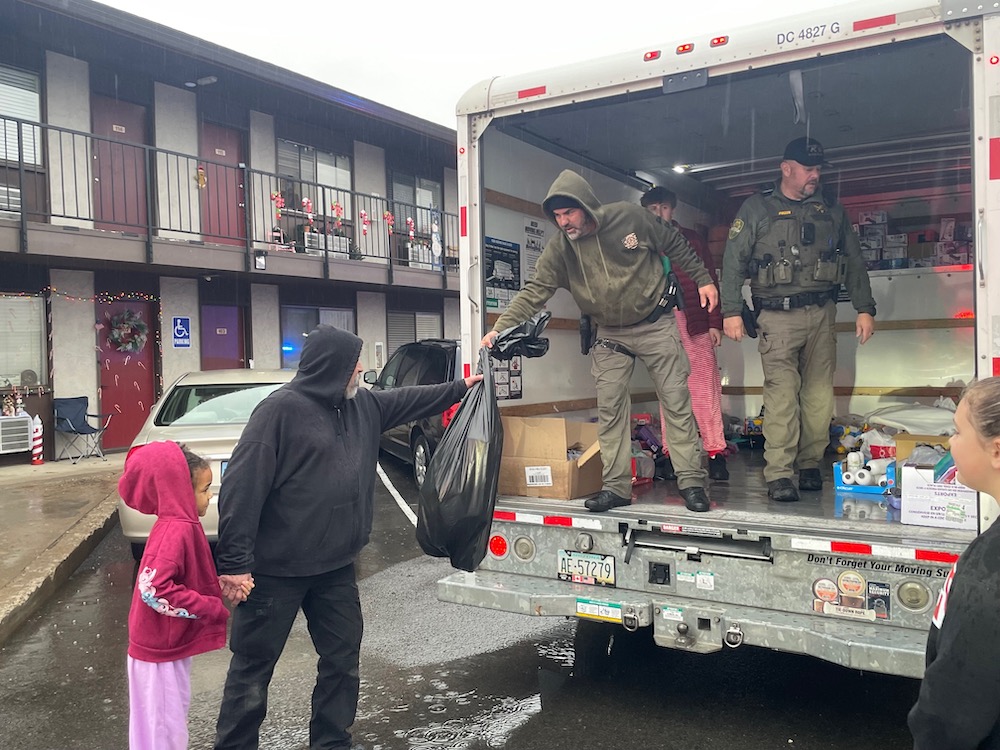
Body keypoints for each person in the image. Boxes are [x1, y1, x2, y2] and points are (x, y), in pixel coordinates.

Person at [212, 324, 482, 750]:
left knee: (341, 660)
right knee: (253, 669)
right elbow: (241, 490)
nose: (362, 369)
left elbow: (410, 399)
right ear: (333, 367)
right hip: (275, 572)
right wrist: (234, 564)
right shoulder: (278, 413)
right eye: (355, 362)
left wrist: (460, 387)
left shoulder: (362, 406)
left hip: (335, 567)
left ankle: (331, 742)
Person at [480, 169, 719, 514]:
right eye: (557, 216)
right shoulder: (561, 249)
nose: (564, 222)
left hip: (655, 323)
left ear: (586, 206)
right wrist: (500, 327)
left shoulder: (630, 218)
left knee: (676, 401)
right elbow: (534, 292)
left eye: (569, 213)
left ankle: (692, 483)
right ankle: (616, 488)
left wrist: (703, 280)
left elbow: (674, 243)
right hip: (609, 332)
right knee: (610, 409)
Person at [720, 136, 876, 503]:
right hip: (777, 316)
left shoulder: (831, 209)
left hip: (822, 313)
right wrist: (730, 311)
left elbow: (853, 260)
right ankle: (779, 473)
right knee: (782, 396)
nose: (815, 176)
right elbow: (732, 262)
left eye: (818, 169)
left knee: (820, 395)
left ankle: (808, 464)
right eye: (809, 169)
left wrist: (864, 307)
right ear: (786, 169)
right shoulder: (757, 208)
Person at [121, 441, 236, 750]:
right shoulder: (177, 529)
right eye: (204, 489)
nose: (209, 496)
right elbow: (153, 589)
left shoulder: (179, 524)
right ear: (178, 490)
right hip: (158, 649)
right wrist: (209, 607)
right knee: (163, 727)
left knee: (162, 723)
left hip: (162, 645)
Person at [908, 377, 1000, 748]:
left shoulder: (987, 570)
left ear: (996, 451)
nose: (950, 442)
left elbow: (954, 703)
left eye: (958, 431)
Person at [641, 186, 729, 481]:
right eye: (653, 209)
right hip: (659, 323)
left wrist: (715, 321)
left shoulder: (691, 239)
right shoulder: (640, 241)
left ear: (672, 209)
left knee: (705, 388)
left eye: (663, 207)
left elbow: (710, 278)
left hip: (693, 318)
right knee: (669, 389)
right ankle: (670, 453)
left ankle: (716, 452)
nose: (659, 213)